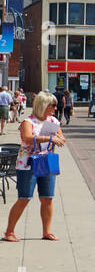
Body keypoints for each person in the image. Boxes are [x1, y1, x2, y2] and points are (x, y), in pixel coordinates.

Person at [4, 91, 66, 243]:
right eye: (52, 105)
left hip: (46, 162)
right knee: (24, 198)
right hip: (27, 165)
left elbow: (61, 137)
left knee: (47, 199)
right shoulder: (28, 121)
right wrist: (49, 138)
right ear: (43, 105)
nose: (55, 108)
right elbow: (27, 138)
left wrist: (59, 139)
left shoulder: (53, 121)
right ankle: (9, 231)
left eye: (55, 105)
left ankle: (47, 231)